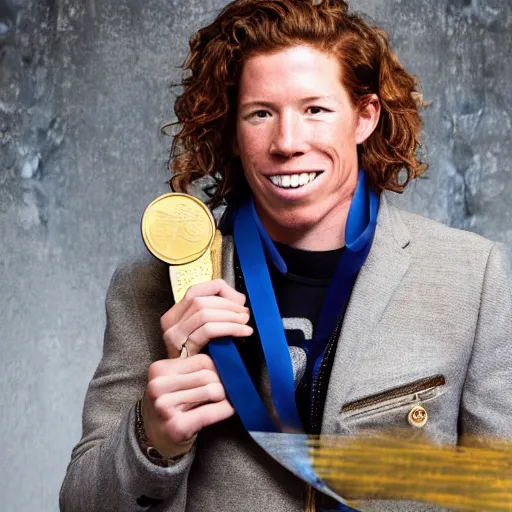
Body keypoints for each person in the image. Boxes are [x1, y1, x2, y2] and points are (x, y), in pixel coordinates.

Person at [60, 1, 512, 511]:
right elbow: (81, 504)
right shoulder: (149, 286)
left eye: (315, 109)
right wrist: (152, 438)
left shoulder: (470, 275)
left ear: (365, 116)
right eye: (261, 113)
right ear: (233, 128)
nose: (287, 143)